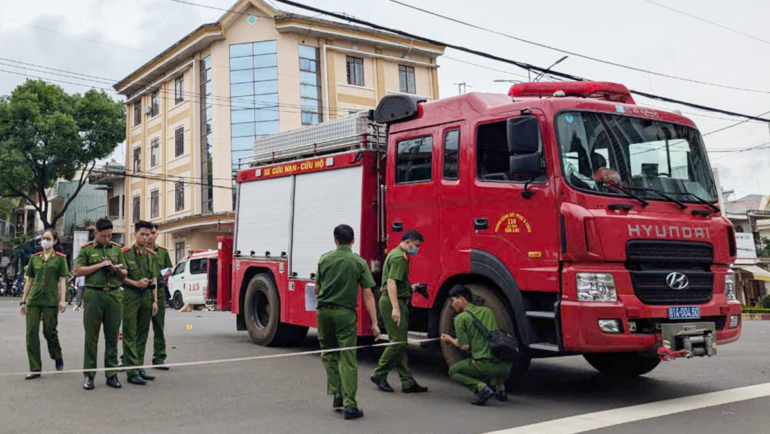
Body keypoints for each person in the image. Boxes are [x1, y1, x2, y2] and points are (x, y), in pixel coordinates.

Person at [314, 224, 380, 420]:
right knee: (348, 358)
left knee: (328, 352)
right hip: (345, 314)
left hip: (324, 313)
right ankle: (350, 405)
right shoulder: (358, 262)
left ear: (335, 240)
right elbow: (368, 294)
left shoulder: (324, 259)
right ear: (352, 241)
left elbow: (317, 289)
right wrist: (374, 323)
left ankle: (337, 393)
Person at [371, 229, 429, 394]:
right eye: (416, 246)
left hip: (393, 300)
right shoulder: (399, 258)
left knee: (400, 342)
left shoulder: (397, 254)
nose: (416, 249)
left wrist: (413, 288)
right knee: (398, 342)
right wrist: (396, 308)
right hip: (392, 302)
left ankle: (407, 382)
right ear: (408, 242)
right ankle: (379, 374)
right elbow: (391, 282)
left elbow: (397, 283)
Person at [73, 218, 128, 390]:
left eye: (110, 236)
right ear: (96, 233)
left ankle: (111, 375)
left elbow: (125, 273)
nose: (107, 239)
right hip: (93, 294)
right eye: (104, 236)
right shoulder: (87, 249)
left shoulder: (117, 249)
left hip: (113, 294)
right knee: (91, 338)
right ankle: (89, 376)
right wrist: (100, 265)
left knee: (112, 337)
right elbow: (77, 270)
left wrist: (117, 270)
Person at [440, 285, 513, 406]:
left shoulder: (460, 318)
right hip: (505, 367)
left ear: (462, 299)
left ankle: (481, 388)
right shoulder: (487, 311)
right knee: (493, 352)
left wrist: (450, 340)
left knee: (453, 371)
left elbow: (464, 346)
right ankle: (501, 390)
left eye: (453, 301)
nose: (452, 305)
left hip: (484, 365)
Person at [19, 229, 68, 379]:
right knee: (31, 333)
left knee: (49, 331)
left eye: (48, 238)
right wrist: (23, 300)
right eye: (43, 238)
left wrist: (63, 299)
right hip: (34, 300)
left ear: (55, 241)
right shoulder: (34, 258)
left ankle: (57, 355)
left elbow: (62, 280)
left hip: (50, 300)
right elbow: (29, 280)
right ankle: (35, 368)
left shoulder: (60, 259)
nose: (45, 240)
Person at [120, 220, 159, 385]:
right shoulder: (125, 253)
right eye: (142, 234)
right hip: (130, 295)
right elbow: (120, 276)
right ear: (134, 234)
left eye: (148, 234)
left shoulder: (151, 255)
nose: (145, 237)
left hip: (146, 297)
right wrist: (135, 283)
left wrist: (155, 300)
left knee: (143, 333)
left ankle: (139, 367)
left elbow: (154, 278)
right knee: (130, 333)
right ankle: (132, 371)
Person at [149, 223, 172, 370]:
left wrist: (162, 274)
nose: (150, 236)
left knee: (159, 326)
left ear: (157, 234)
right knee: (136, 328)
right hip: (142, 291)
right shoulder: (135, 251)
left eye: (153, 233)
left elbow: (168, 269)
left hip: (160, 292)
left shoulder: (162, 252)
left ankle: (159, 358)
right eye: (147, 233)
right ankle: (130, 359)